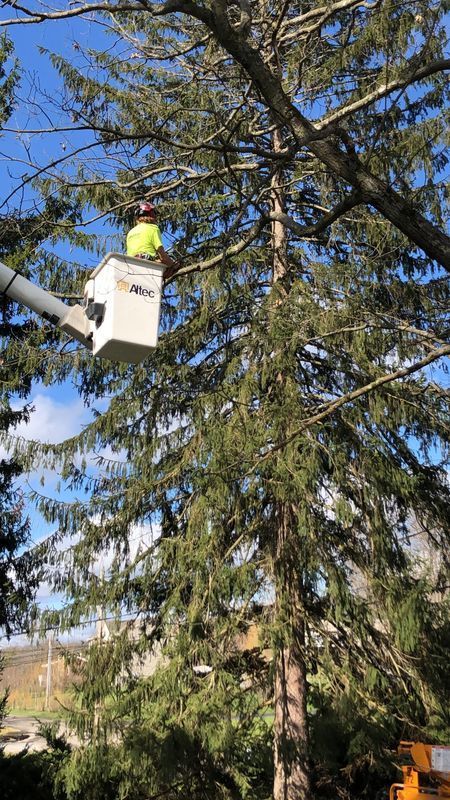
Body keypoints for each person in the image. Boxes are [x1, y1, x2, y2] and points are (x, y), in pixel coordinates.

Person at [126, 201, 180, 280]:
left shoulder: (130, 232)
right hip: (146, 264)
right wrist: (173, 265)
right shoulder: (153, 228)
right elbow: (162, 254)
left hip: (131, 266)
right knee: (173, 263)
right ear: (151, 214)